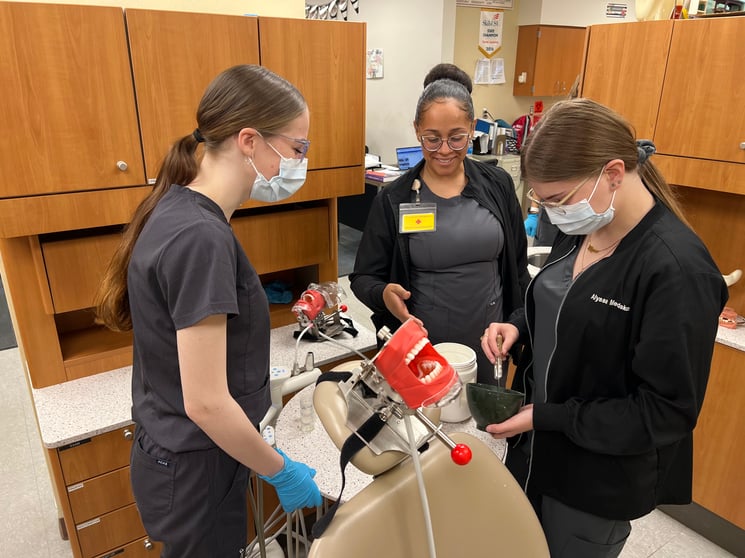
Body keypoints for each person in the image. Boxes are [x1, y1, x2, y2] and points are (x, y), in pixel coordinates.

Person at [480, 98, 728, 557]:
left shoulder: (676, 270)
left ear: (614, 173)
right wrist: (519, 327)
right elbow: (565, 311)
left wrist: (549, 416)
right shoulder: (583, 224)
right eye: (542, 201)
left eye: (558, 200)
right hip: (535, 447)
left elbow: (664, 411)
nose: (552, 215)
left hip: (593, 477)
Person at [94, 65, 321, 558]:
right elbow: (206, 402)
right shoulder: (201, 237)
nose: (300, 163)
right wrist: (280, 471)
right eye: (297, 148)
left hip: (184, 460)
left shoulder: (181, 208)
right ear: (248, 140)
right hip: (194, 471)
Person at [350, 77, 530, 386]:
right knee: (426, 421)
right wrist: (384, 295)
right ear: (416, 130)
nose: (444, 150)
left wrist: (518, 323)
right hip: (423, 344)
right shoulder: (395, 198)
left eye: (457, 138)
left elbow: (517, 267)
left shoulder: (497, 184)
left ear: (472, 127)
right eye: (431, 139)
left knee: (481, 425)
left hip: (489, 341)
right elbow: (363, 278)